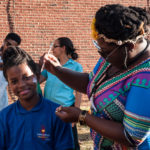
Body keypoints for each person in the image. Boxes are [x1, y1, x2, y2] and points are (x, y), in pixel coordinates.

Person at [41, 4, 150, 150]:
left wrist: (82, 117)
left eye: (105, 51)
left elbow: (131, 136)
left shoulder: (146, 76)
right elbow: (92, 83)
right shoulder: (114, 55)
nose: (102, 56)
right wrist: (57, 70)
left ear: (129, 47)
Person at [0, 46, 74, 150]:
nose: (21, 85)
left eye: (26, 77)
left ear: (37, 75)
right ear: (9, 84)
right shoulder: (4, 117)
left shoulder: (57, 114)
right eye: (14, 81)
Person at [39, 37, 83, 150]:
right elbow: (38, 80)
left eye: (55, 46)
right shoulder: (50, 65)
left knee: (70, 143)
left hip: (65, 110)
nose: (52, 49)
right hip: (48, 110)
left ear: (63, 48)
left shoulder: (76, 67)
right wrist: (40, 65)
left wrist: (76, 114)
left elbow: (79, 93)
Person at [0, 32, 21, 110]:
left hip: (2, 104)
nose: (8, 48)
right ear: (4, 41)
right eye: (8, 44)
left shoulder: (13, 61)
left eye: (12, 47)